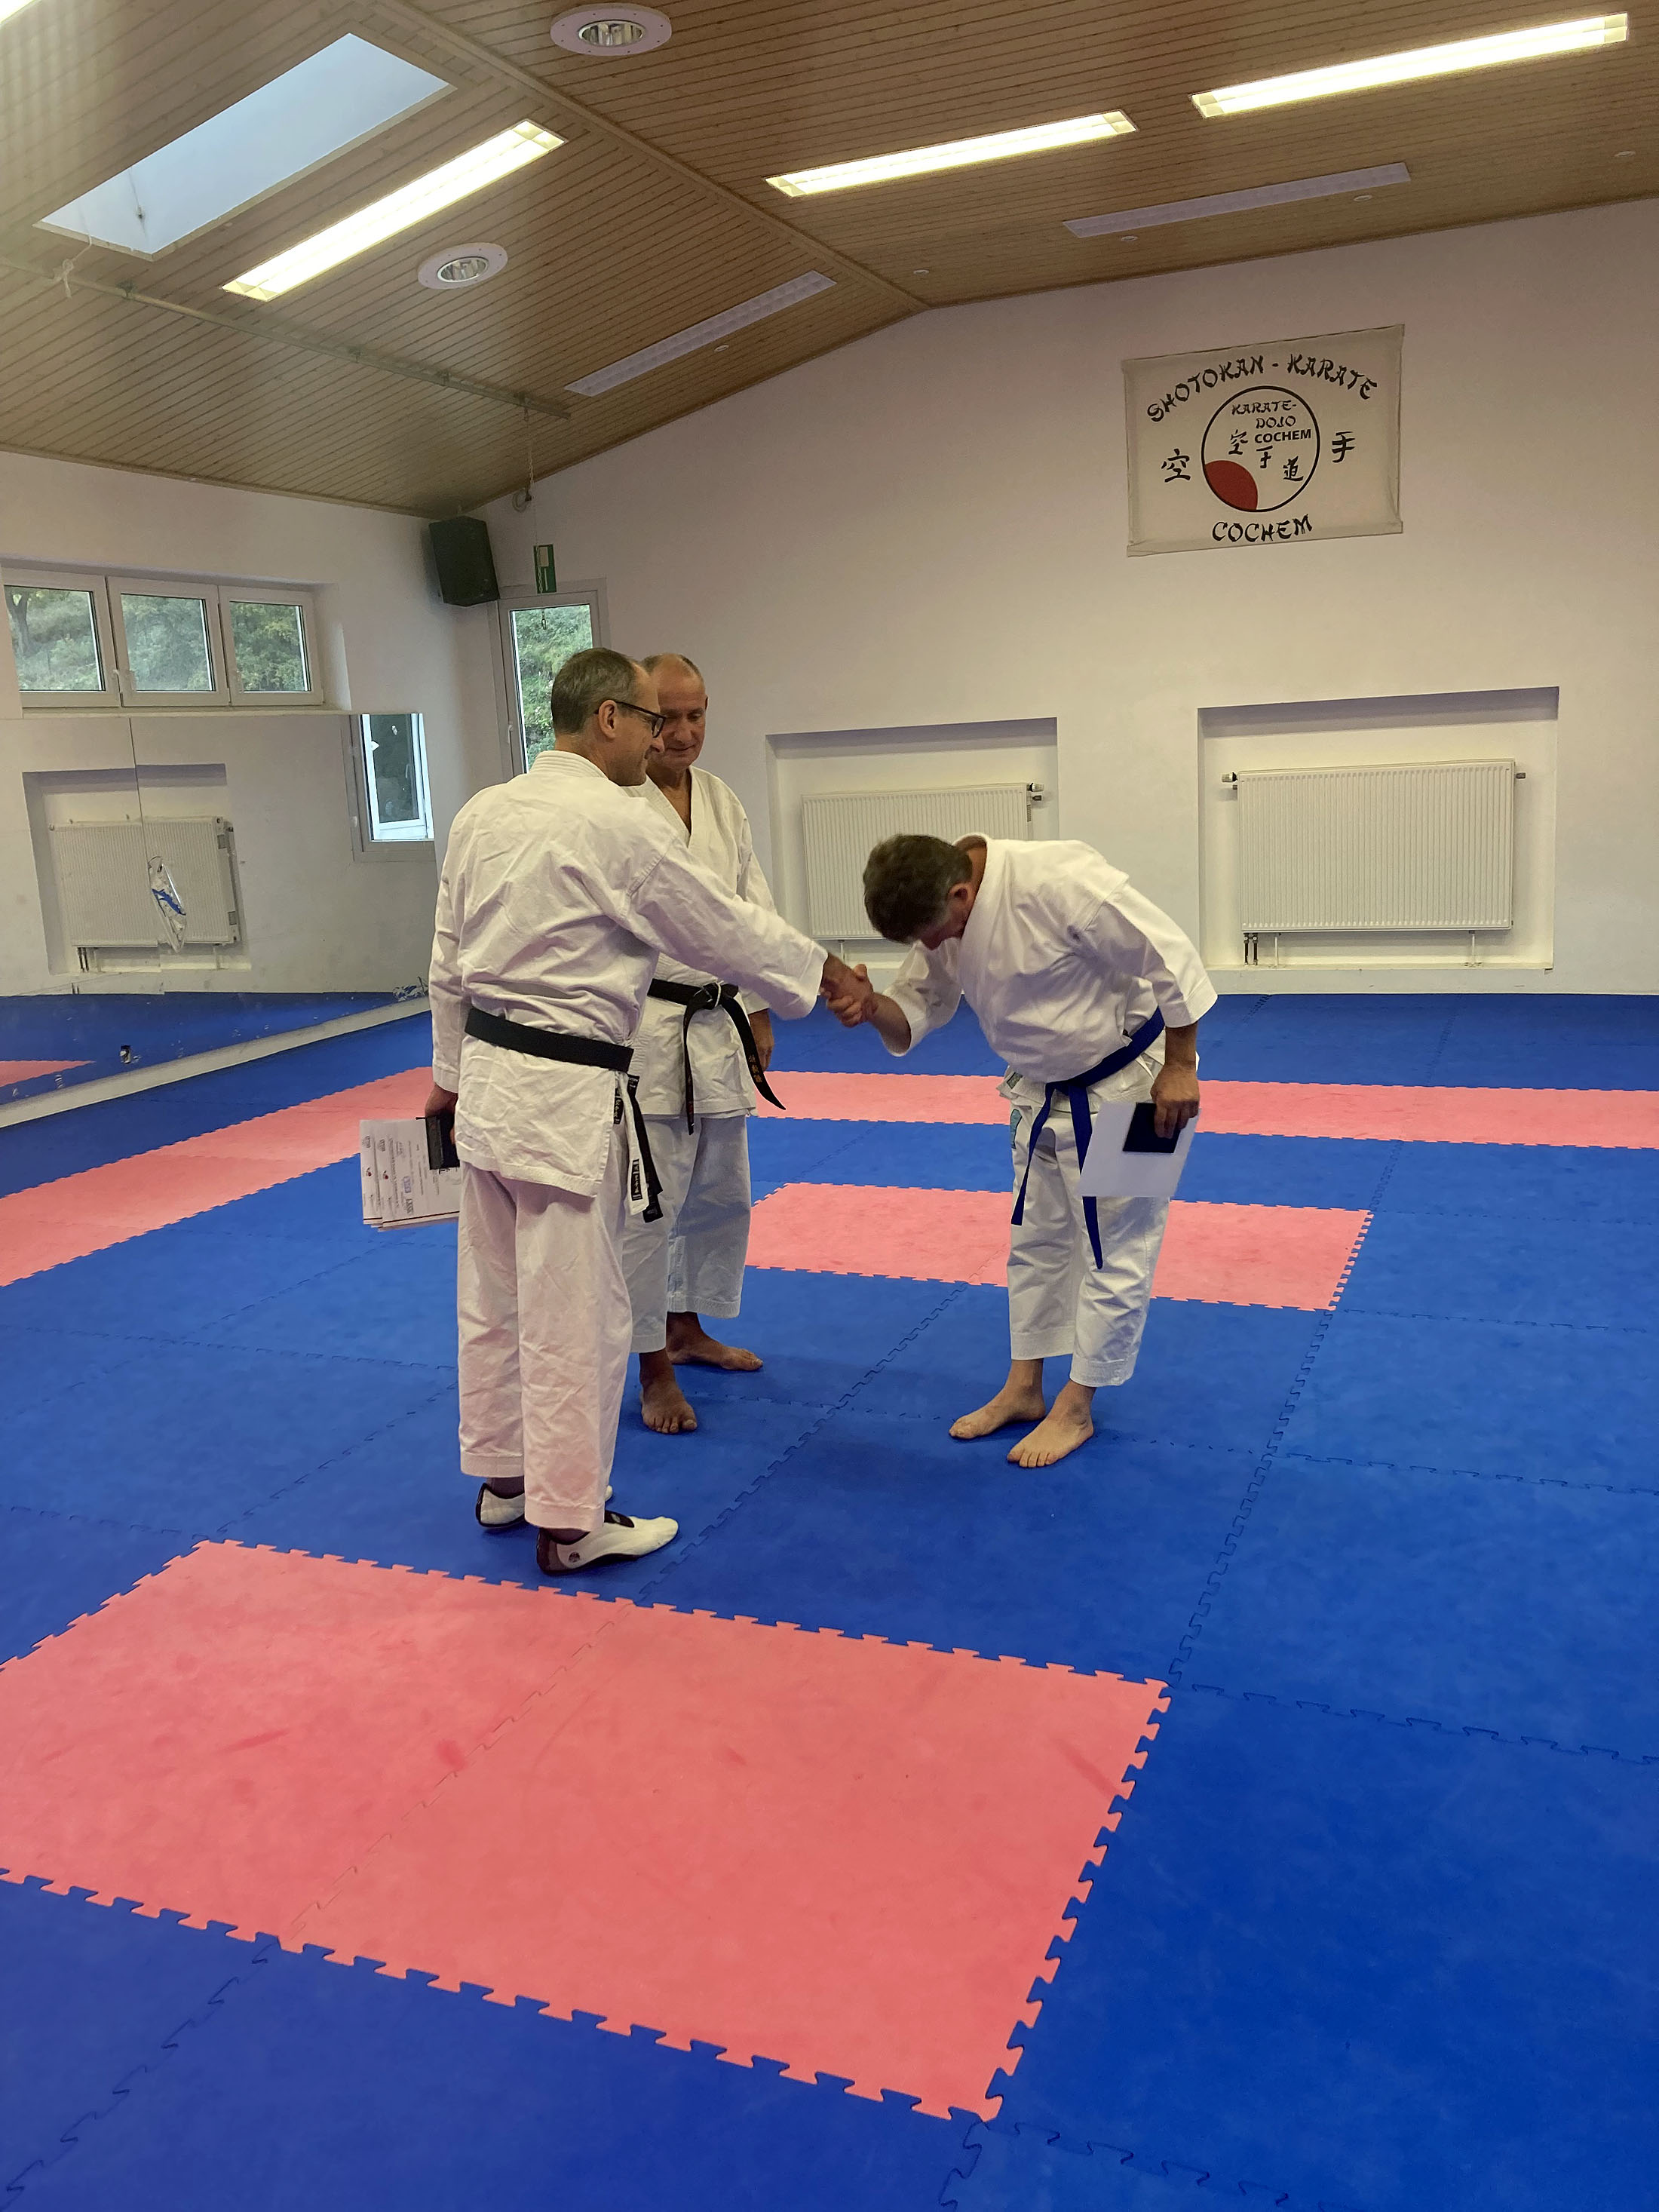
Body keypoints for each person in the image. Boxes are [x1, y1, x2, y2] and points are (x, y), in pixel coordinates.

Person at [425, 647, 860, 1574]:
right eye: (650, 719)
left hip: (490, 1088)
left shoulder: (481, 811)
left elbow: (446, 957)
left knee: (492, 1296)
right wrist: (820, 973)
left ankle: (505, 1479)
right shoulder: (614, 821)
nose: (661, 736)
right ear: (609, 718)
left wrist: (447, 1075)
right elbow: (722, 924)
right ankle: (573, 1522)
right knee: (574, 1311)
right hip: (564, 1097)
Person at [825, 831, 1216, 1469]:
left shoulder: (1060, 882)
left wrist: (1181, 1064)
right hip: (1041, 1089)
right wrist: (870, 1007)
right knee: (1035, 1241)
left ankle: (1077, 1406)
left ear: (961, 893)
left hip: (1142, 1084)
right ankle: (1024, 1387)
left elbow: (1172, 956)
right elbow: (918, 1007)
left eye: (932, 933)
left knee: (1118, 1249)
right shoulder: (944, 909)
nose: (931, 948)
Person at [618, 652, 779, 1435]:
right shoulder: (616, 804)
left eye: (696, 714)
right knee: (650, 1207)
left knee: (720, 1191)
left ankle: (686, 1326)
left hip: (719, 1020)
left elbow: (752, 908)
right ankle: (651, 1364)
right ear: (634, 719)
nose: (683, 733)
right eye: (666, 718)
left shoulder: (721, 799)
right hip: (649, 1031)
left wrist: (761, 1006)